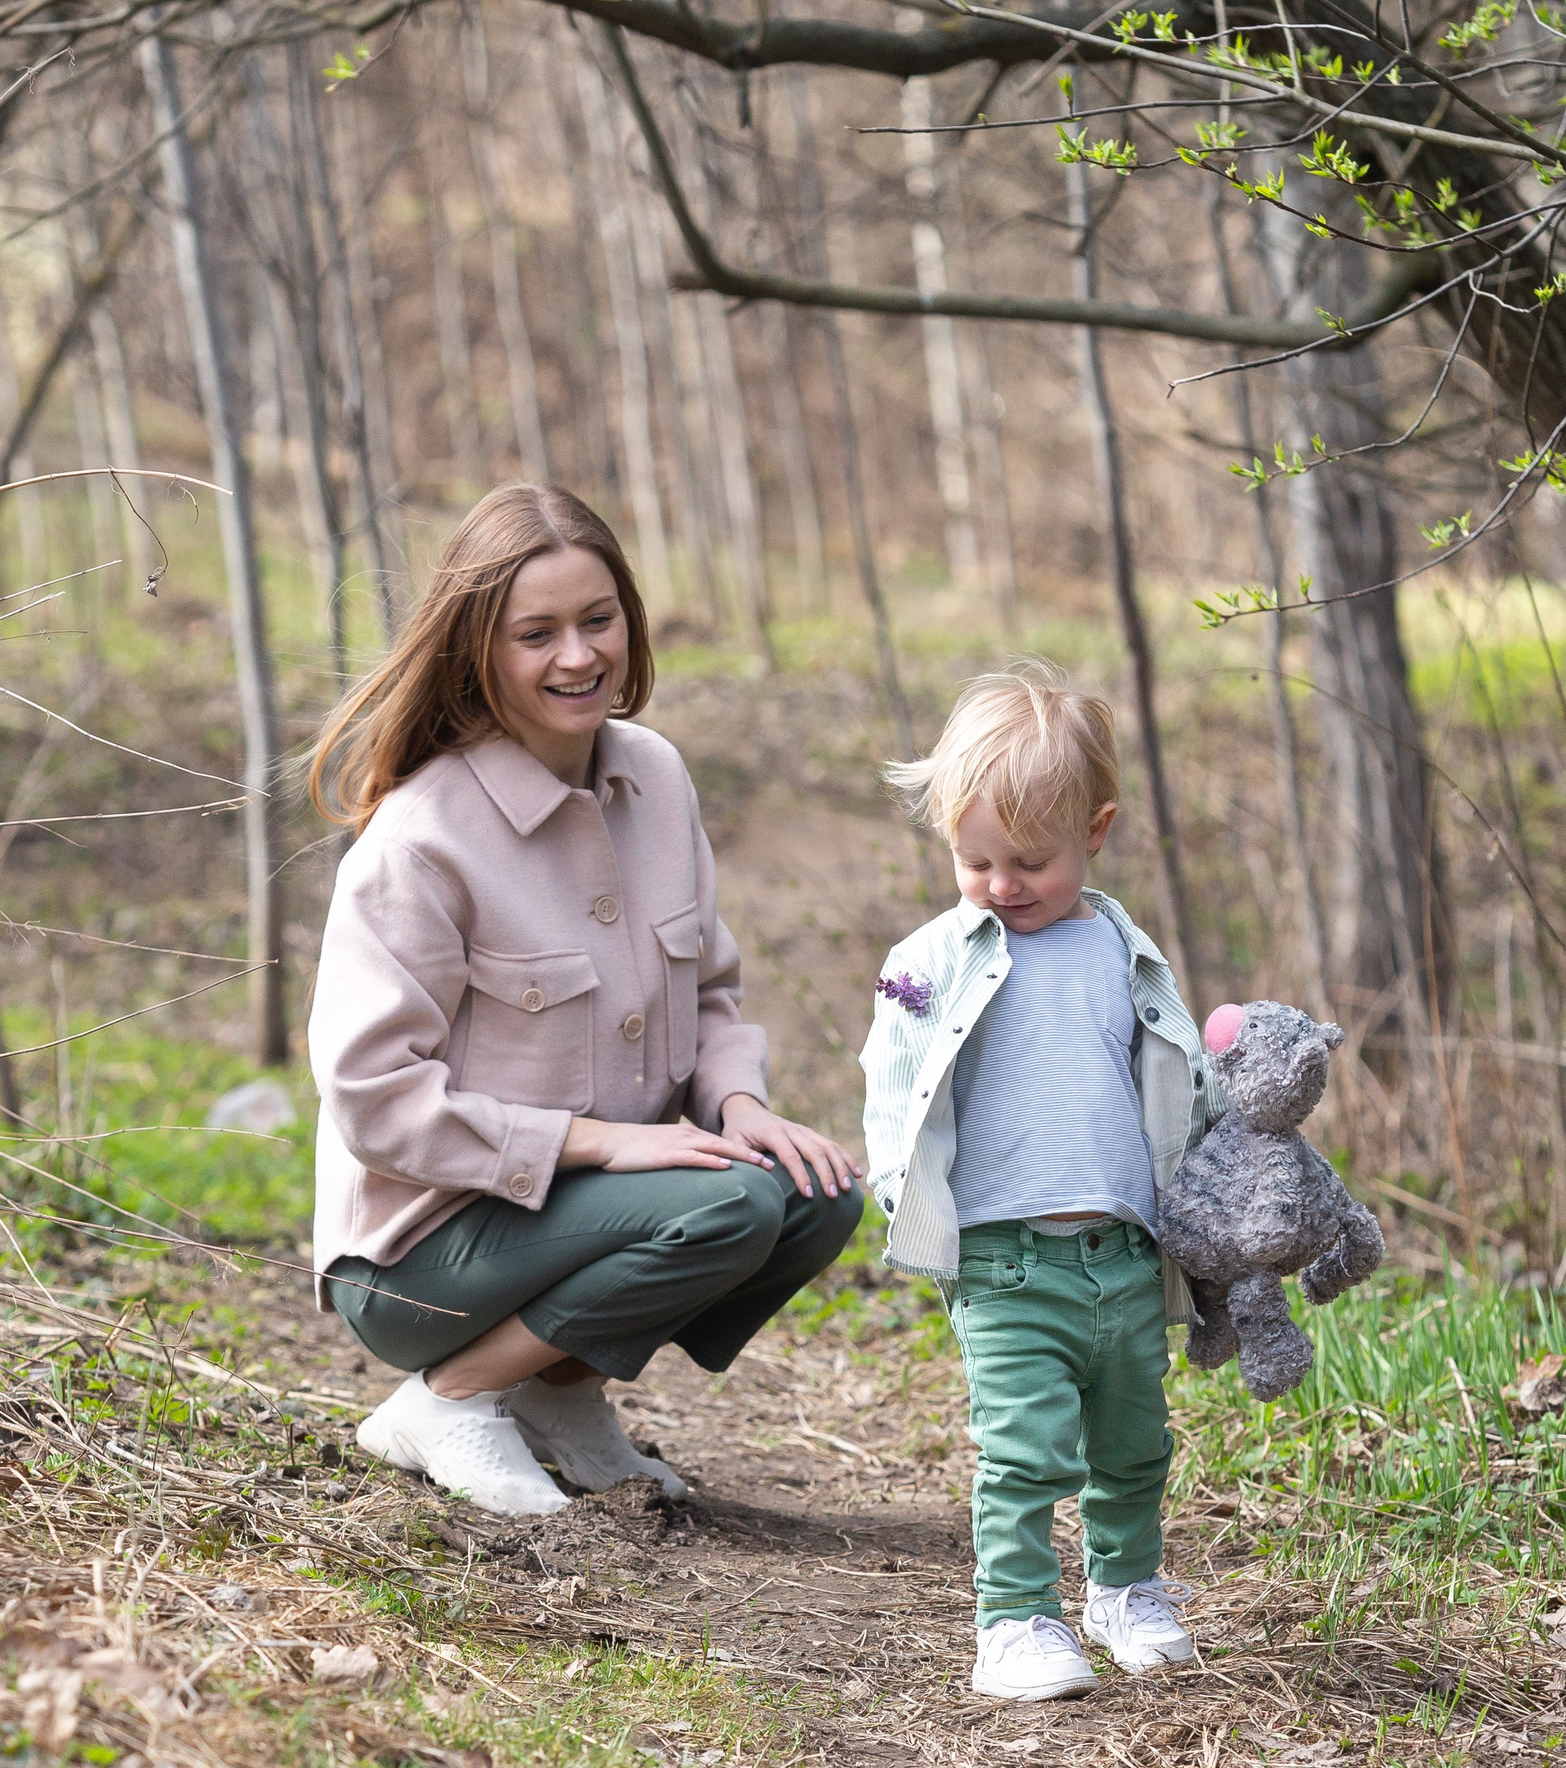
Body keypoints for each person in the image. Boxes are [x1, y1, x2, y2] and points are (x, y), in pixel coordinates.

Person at [307, 483, 863, 1518]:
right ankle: (452, 1395)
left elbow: (714, 994)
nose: (578, 655)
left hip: (587, 1214)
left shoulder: (656, 775)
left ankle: (562, 1398)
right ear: (478, 647)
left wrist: (740, 1103)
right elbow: (371, 1099)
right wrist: (602, 1142)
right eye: (537, 632)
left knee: (810, 1191)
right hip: (418, 1254)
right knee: (731, 1201)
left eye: (596, 619)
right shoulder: (420, 838)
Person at [859, 669, 1216, 1700]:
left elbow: (1178, 1069)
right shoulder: (931, 957)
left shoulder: (1121, 952)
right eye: (974, 859)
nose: (1001, 883)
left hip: (1121, 1251)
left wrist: (1223, 1173)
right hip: (1006, 1259)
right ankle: (1012, 1618)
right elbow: (892, 1076)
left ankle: (1125, 1585)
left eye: (1030, 860)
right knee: (1022, 1452)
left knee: (1133, 1440)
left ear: (1094, 830)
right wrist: (901, 1190)